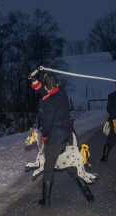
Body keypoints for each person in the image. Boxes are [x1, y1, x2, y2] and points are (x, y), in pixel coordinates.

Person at [29, 69, 95, 206]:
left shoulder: (46, 103)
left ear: (47, 87)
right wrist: (35, 81)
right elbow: (46, 91)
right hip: (69, 134)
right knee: (71, 165)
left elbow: (46, 125)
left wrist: (45, 137)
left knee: (48, 166)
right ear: (56, 84)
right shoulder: (61, 92)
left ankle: (45, 200)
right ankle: (88, 194)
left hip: (56, 137)